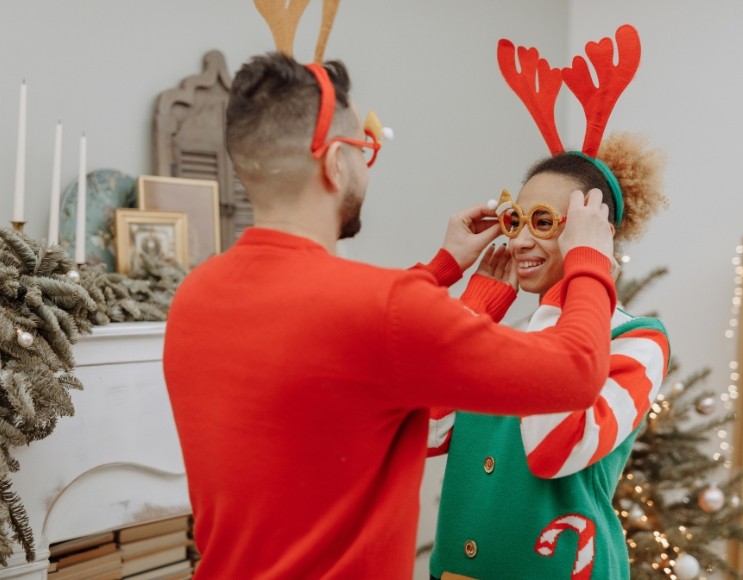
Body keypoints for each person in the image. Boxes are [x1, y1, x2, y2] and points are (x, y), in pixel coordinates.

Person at [162, 52, 620, 579]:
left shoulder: (195, 297)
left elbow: (346, 342)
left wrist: (441, 268)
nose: (366, 163)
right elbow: (576, 372)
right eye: (365, 148)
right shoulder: (383, 309)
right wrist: (589, 258)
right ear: (335, 161)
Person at [427, 25, 671, 580]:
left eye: (545, 223)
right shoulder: (501, 335)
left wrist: (587, 266)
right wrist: (472, 313)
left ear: (593, 232)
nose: (518, 241)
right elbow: (423, 432)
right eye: (516, 219)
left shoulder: (639, 339)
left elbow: (555, 446)